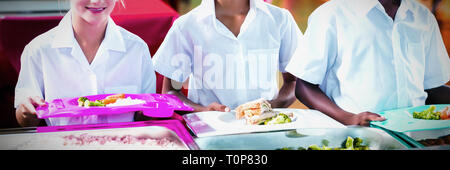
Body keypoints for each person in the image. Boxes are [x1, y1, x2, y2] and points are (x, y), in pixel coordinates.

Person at [286, 0, 450, 126]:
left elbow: (430, 86)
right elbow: (304, 87)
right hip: (356, 138)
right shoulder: (332, 14)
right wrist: (350, 118)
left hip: (415, 137)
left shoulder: (422, 16)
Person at [14, 0, 156, 127]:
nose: (96, 1)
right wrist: (27, 111)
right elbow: (25, 121)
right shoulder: (38, 50)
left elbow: (145, 117)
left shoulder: (137, 49)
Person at [152, 0, 302, 112]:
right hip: (209, 133)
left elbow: (294, 82)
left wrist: (271, 106)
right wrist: (203, 110)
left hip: (266, 130)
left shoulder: (279, 19)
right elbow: (172, 90)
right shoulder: (186, 26)